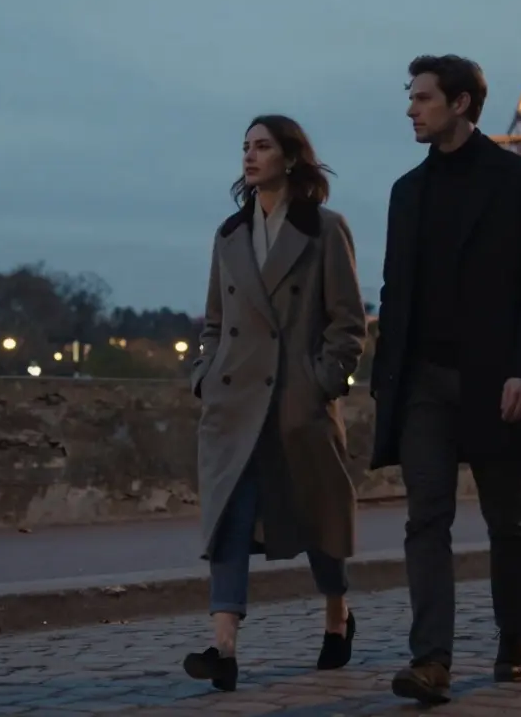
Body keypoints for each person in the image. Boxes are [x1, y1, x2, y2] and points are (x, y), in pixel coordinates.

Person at [369, 55, 521, 705]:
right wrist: (384, 381)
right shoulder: (406, 191)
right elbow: (396, 292)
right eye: (411, 97)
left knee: (508, 520)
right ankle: (431, 661)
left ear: (458, 103)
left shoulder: (518, 180)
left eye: (422, 98)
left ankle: (514, 634)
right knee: (426, 519)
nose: (410, 109)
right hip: (422, 381)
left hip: (496, 378)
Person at [183, 114, 368, 692]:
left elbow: (348, 324)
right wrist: (205, 375)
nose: (249, 155)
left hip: (295, 402)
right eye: (244, 146)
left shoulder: (325, 230)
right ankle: (223, 646)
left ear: (290, 158)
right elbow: (215, 321)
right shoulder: (228, 235)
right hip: (234, 403)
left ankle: (337, 616)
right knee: (229, 520)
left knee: (318, 516)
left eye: (262, 146)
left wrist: (320, 382)